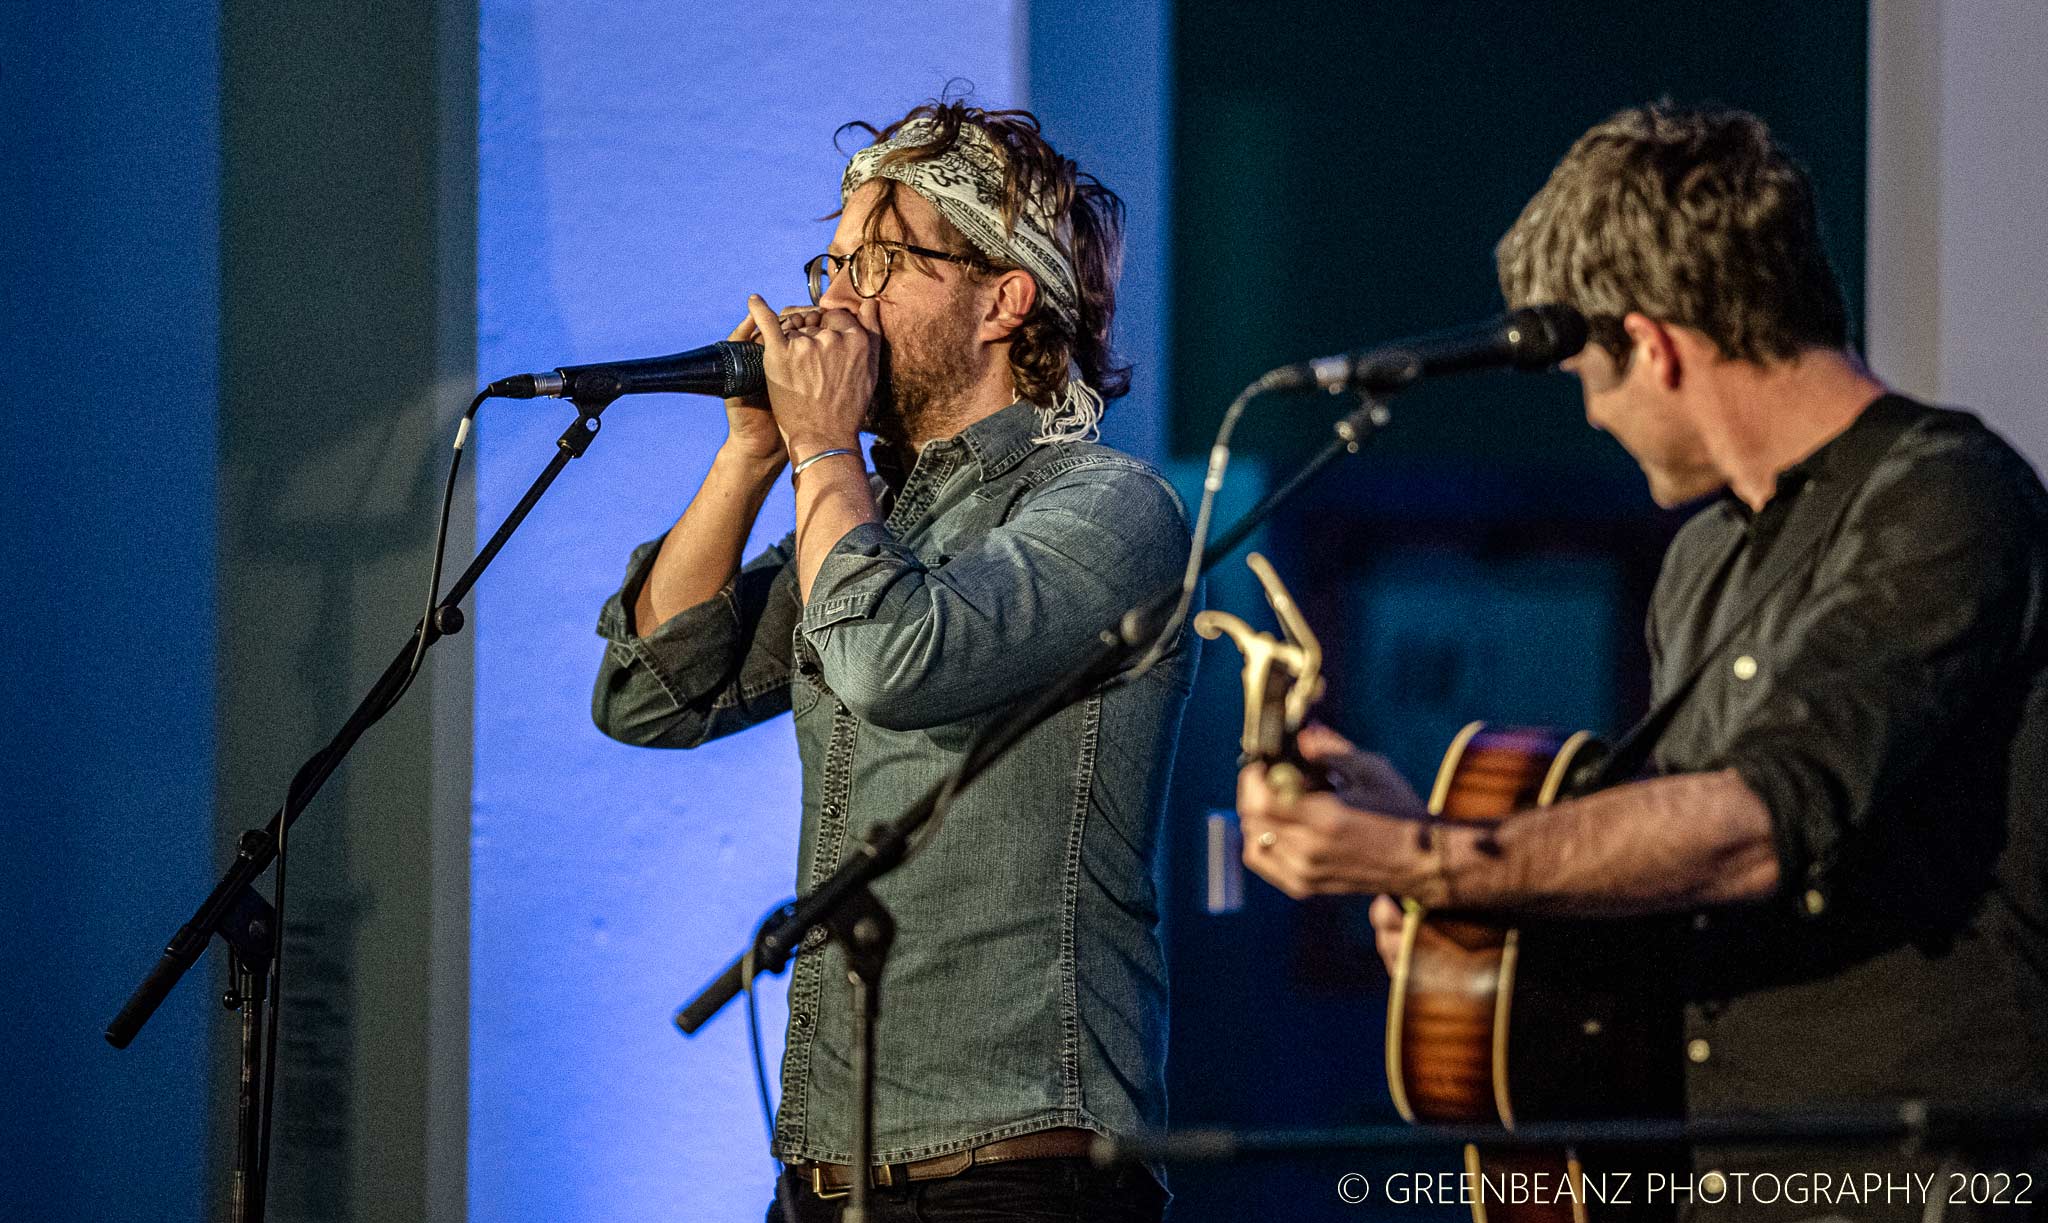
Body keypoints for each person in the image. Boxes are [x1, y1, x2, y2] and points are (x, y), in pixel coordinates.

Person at [1237, 103, 2048, 1220]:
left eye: (1587, 375)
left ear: (1653, 344)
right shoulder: (1703, 555)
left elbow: (1758, 821)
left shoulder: (1945, 497)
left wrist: (1433, 858)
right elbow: (1663, 871)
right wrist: (1418, 867)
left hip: (1916, 1184)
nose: (1591, 415)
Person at [591, 100, 1192, 1222]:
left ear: (1003, 300)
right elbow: (651, 694)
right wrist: (752, 456)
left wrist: (823, 446)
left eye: (881, 261)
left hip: (1017, 1169)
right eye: (833, 259)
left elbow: (885, 661)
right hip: (828, 1169)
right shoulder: (874, 524)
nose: (833, 298)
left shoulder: (1108, 509)